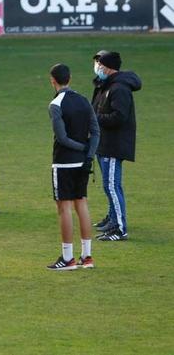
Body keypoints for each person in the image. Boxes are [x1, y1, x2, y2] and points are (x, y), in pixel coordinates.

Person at [46, 64, 99, 271]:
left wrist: (82, 148)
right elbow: (96, 131)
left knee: (64, 209)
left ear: (53, 80)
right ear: (70, 78)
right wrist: (88, 154)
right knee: (82, 205)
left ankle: (67, 259)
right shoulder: (84, 100)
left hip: (64, 162)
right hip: (83, 163)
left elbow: (62, 138)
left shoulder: (55, 104)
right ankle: (87, 257)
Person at [92, 52, 141, 242]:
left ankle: (120, 229)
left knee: (112, 186)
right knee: (109, 185)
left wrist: (96, 119)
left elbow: (119, 117)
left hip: (113, 144)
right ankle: (113, 220)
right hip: (105, 143)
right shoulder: (106, 85)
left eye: (99, 63)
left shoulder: (119, 88)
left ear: (108, 67)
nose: (97, 66)